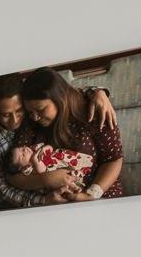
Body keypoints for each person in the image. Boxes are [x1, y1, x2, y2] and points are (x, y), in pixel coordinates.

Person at [0, 72, 116, 211]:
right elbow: (6, 187)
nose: (15, 120)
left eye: (20, 110)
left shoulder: (33, 114)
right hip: (0, 195)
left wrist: (98, 92)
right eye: (5, 115)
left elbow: (56, 90)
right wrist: (45, 196)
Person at [16, 66, 123, 202]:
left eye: (41, 110)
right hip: (54, 202)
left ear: (60, 98)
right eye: (30, 112)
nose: (35, 117)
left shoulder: (94, 110)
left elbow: (113, 159)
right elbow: (12, 174)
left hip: (99, 195)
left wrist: (91, 195)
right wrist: (45, 179)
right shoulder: (30, 122)